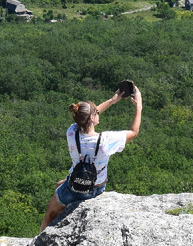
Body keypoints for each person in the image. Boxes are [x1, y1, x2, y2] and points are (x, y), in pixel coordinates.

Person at [40, 84, 142, 232]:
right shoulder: (106, 140)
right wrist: (138, 106)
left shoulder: (72, 132)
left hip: (73, 186)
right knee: (58, 185)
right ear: (93, 117)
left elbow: (84, 118)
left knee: (50, 213)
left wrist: (112, 100)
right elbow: (134, 131)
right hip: (96, 188)